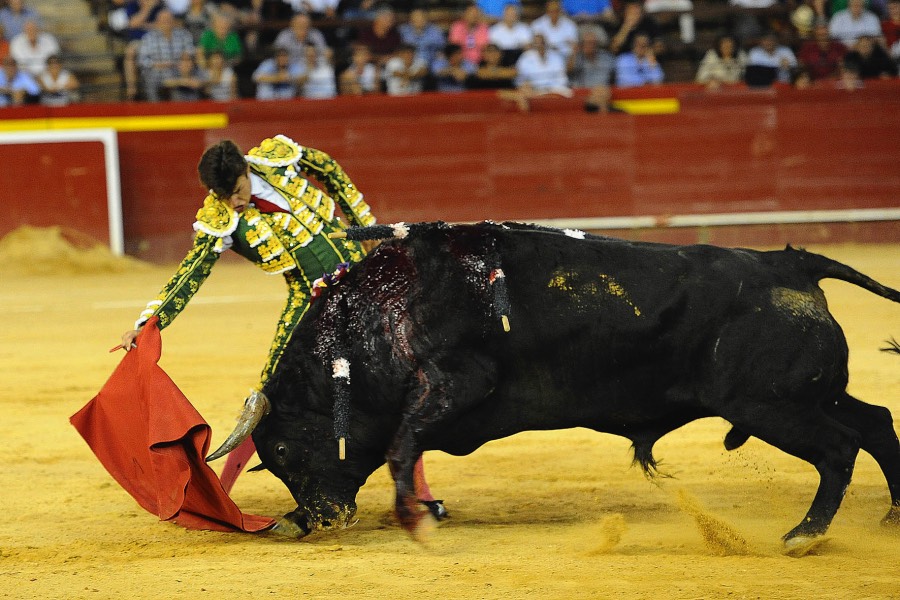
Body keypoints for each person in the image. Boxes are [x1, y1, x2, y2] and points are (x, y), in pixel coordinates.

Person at [118, 136, 444, 517]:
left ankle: (418, 493)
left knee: (399, 381)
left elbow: (328, 167)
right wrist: (149, 323)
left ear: (245, 170)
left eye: (236, 191)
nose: (233, 202)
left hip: (365, 285)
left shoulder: (276, 161)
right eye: (222, 196)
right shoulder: (221, 220)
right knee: (270, 393)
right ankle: (220, 493)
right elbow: (191, 272)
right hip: (309, 301)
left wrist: (365, 229)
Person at [499, 32, 572, 111]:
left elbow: (562, 79)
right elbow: (520, 81)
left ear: (546, 43)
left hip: (556, 90)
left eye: (542, 43)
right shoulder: (525, 57)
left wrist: (549, 90)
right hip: (534, 91)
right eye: (537, 43)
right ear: (533, 45)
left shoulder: (556, 57)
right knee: (522, 94)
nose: (540, 46)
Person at [138, 8, 195, 102]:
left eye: (169, 19)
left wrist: (183, 60)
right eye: (163, 20)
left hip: (178, 73)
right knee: (150, 81)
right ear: (157, 21)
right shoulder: (148, 38)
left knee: (189, 81)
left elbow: (190, 53)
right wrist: (157, 64)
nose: (166, 22)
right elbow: (142, 60)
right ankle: (155, 110)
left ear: (173, 21)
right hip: (156, 74)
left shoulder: (184, 35)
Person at [569, 27, 615, 111]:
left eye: (593, 43)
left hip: (605, 95)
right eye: (587, 43)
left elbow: (615, 75)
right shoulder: (577, 58)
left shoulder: (607, 57)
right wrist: (574, 53)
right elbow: (568, 71)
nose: (590, 46)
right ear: (581, 45)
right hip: (584, 98)